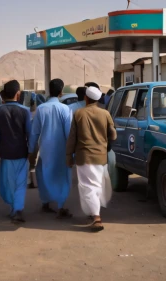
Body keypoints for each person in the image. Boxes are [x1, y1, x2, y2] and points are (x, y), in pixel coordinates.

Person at [66, 86, 117, 232]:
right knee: (96, 185)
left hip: (84, 157)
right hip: (101, 157)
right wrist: (106, 146)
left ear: (86, 98)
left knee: (89, 187)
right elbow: (113, 135)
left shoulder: (78, 114)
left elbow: (72, 138)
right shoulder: (105, 114)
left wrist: (68, 156)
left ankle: (96, 218)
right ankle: (93, 212)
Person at [0, 80, 32, 223]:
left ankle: (14, 208)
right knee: (20, 183)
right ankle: (18, 209)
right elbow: (30, 134)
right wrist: (31, 151)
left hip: (6, 154)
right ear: (17, 94)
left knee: (8, 183)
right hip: (21, 152)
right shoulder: (25, 111)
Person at [29, 79, 73, 219]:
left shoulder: (41, 109)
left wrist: (31, 151)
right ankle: (60, 206)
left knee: (43, 174)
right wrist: (71, 152)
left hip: (46, 150)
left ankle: (45, 202)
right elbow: (69, 132)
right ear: (61, 91)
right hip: (61, 150)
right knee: (62, 176)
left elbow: (34, 133)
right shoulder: (65, 109)